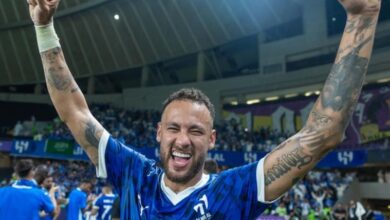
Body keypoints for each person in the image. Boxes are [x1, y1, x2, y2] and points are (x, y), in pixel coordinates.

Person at [28, 0, 382, 218]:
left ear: (212, 139)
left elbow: (324, 133)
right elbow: (75, 112)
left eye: (195, 131)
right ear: (158, 133)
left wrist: (361, 17)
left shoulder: (236, 189)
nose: (182, 140)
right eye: (174, 128)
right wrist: (44, 29)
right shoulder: (135, 175)